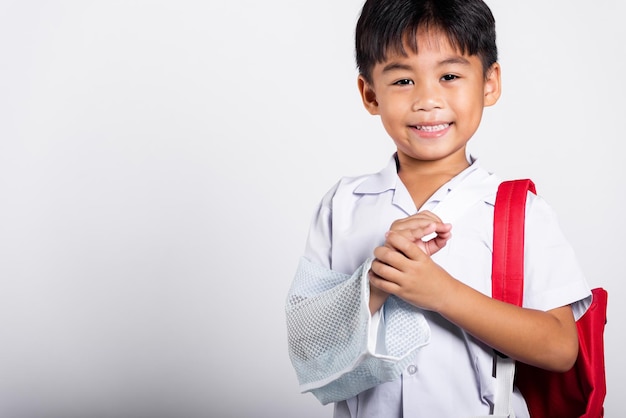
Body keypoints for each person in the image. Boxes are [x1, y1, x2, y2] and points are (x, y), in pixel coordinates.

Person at [285, 0, 592, 416]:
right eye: (402, 81)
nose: (428, 100)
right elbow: (308, 347)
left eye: (449, 76)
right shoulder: (343, 205)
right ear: (370, 93)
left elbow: (559, 348)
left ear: (489, 83)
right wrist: (374, 284)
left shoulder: (520, 211)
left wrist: (443, 294)